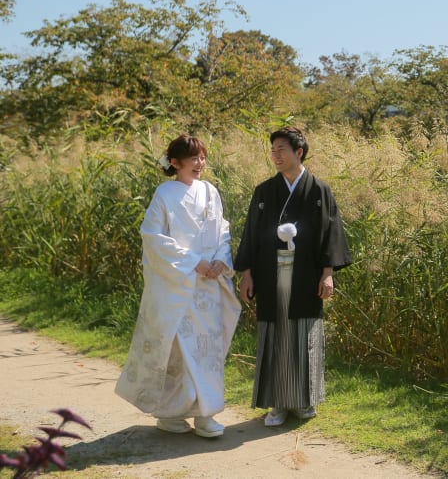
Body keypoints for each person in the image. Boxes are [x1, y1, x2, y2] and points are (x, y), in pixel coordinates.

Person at [115, 134, 241, 438]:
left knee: (207, 351)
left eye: (203, 157)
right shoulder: (165, 194)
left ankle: (204, 414)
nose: (200, 163)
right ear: (175, 163)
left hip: (208, 284)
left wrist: (221, 260)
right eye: (194, 158)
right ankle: (172, 413)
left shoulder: (210, 191)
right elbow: (153, 236)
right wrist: (193, 261)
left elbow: (222, 230)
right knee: (179, 353)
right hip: (178, 283)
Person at [235, 126, 351, 427]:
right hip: (269, 273)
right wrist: (246, 274)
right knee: (274, 335)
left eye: (281, 149)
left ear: (299, 152)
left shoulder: (318, 190)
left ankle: (302, 402)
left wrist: (328, 274)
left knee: (304, 334)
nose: (275, 154)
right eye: (273, 149)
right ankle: (277, 404)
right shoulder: (264, 192)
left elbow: (331, 234)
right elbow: (250, 234)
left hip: (305, 274)